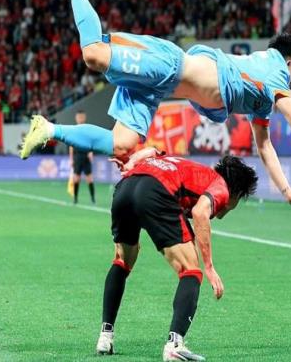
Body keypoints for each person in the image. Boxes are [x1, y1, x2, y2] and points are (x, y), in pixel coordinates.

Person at [21, 0, 291, 215]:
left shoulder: (261, 97)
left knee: (122, 145)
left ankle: (48, 129)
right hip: (168, 65)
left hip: (158, 88)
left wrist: (287, 191)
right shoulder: (275, 70)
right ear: (290, 62)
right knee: (93, 54)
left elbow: (265, 147)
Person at [95, 148, 258, 361]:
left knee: (123, 260)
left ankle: (105, 336)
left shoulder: (186, 167)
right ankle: (174, 344)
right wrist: (209, 266)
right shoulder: (220, 186)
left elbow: (151, 151)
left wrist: (132, 160)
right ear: (237, 193)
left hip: (125, 188)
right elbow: (200, 212)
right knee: (191, 271)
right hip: (155, 190)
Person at [69, 111, 95, 204]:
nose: (80, 119)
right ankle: (75, 198)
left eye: (81, 117)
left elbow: (91, 142)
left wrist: (91, 152)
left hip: (86, 156)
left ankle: (93, 198)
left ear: (84, 118)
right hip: (77, 156)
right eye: (78, 117)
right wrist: (71, 159)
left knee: (90, 179)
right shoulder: (74, 130)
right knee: (76, 178)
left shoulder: (87, 130)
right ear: (76, 118)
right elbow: (71, 145)